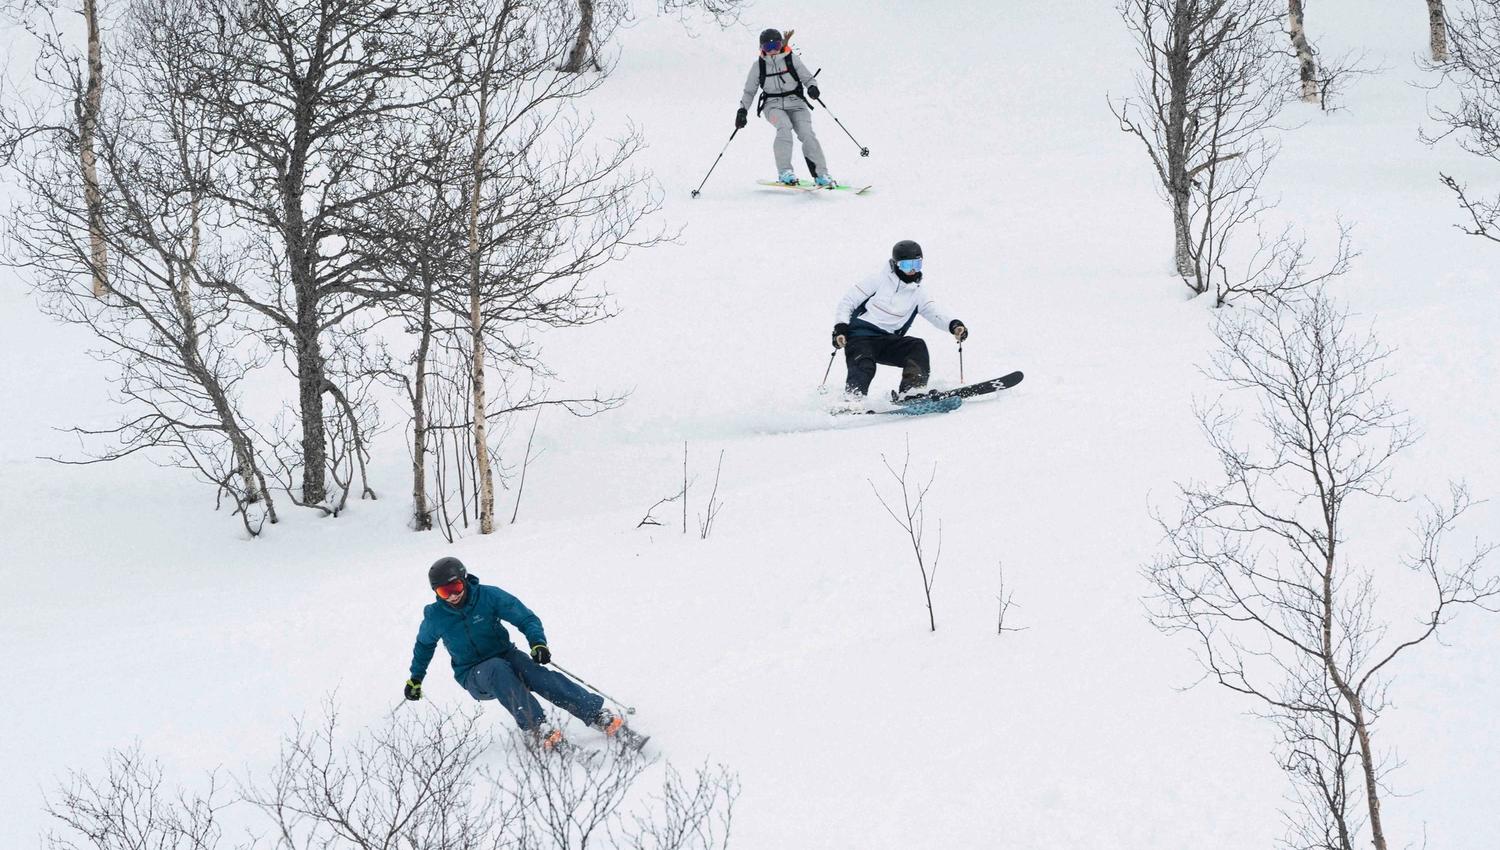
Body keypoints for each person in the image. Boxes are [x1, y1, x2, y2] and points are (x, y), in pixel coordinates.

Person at [403, 556, 640, 751]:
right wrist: (416, 678)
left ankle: (596, 714)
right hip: (473, 673)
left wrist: (538, 643)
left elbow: (525, 617)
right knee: (496, 668)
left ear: (464, 581)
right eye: (445, 592)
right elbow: (424, 645)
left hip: (506, 655)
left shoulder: (488, 596)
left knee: (537, 674)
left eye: (455, 587)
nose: (452, 596)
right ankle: (539, 728)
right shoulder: (436, 616)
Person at [832, 240, 969, 398]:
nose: (911, 270)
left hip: (887, 340)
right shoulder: (877, 280)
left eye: (916, 265)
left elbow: (934, 312)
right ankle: (853, 399)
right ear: (896, 264)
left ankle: (911, 391)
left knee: (916, 347)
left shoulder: (918, 293)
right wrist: (840, 328)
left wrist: (953, 325)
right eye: (906, 265)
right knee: (865, 365)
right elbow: (848, 302)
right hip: (860, 337)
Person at [735, 27, 835, 187]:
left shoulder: (791, 59)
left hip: (797, 104)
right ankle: (785, 172)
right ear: (761, 48)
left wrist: (812, 87)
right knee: (784, 127)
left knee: (807, 134)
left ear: (781, 45)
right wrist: (742, 111)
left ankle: (821, 175)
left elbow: (807, 78)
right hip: (772, 107)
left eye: (776, 45)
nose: (773, 50)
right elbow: (749, 92)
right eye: (768, 47)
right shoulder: (758, 66)